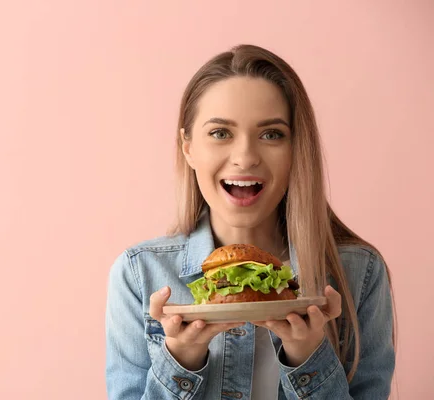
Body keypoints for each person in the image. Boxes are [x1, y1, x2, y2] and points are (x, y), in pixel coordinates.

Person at [104, 44, 396, 400]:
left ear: (296, 148)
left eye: (271, 134)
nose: (245, 158)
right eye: (220, 133)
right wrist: (179, 362)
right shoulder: (139, 274)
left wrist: (310, 358)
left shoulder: (358, 274)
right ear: (188, 147)